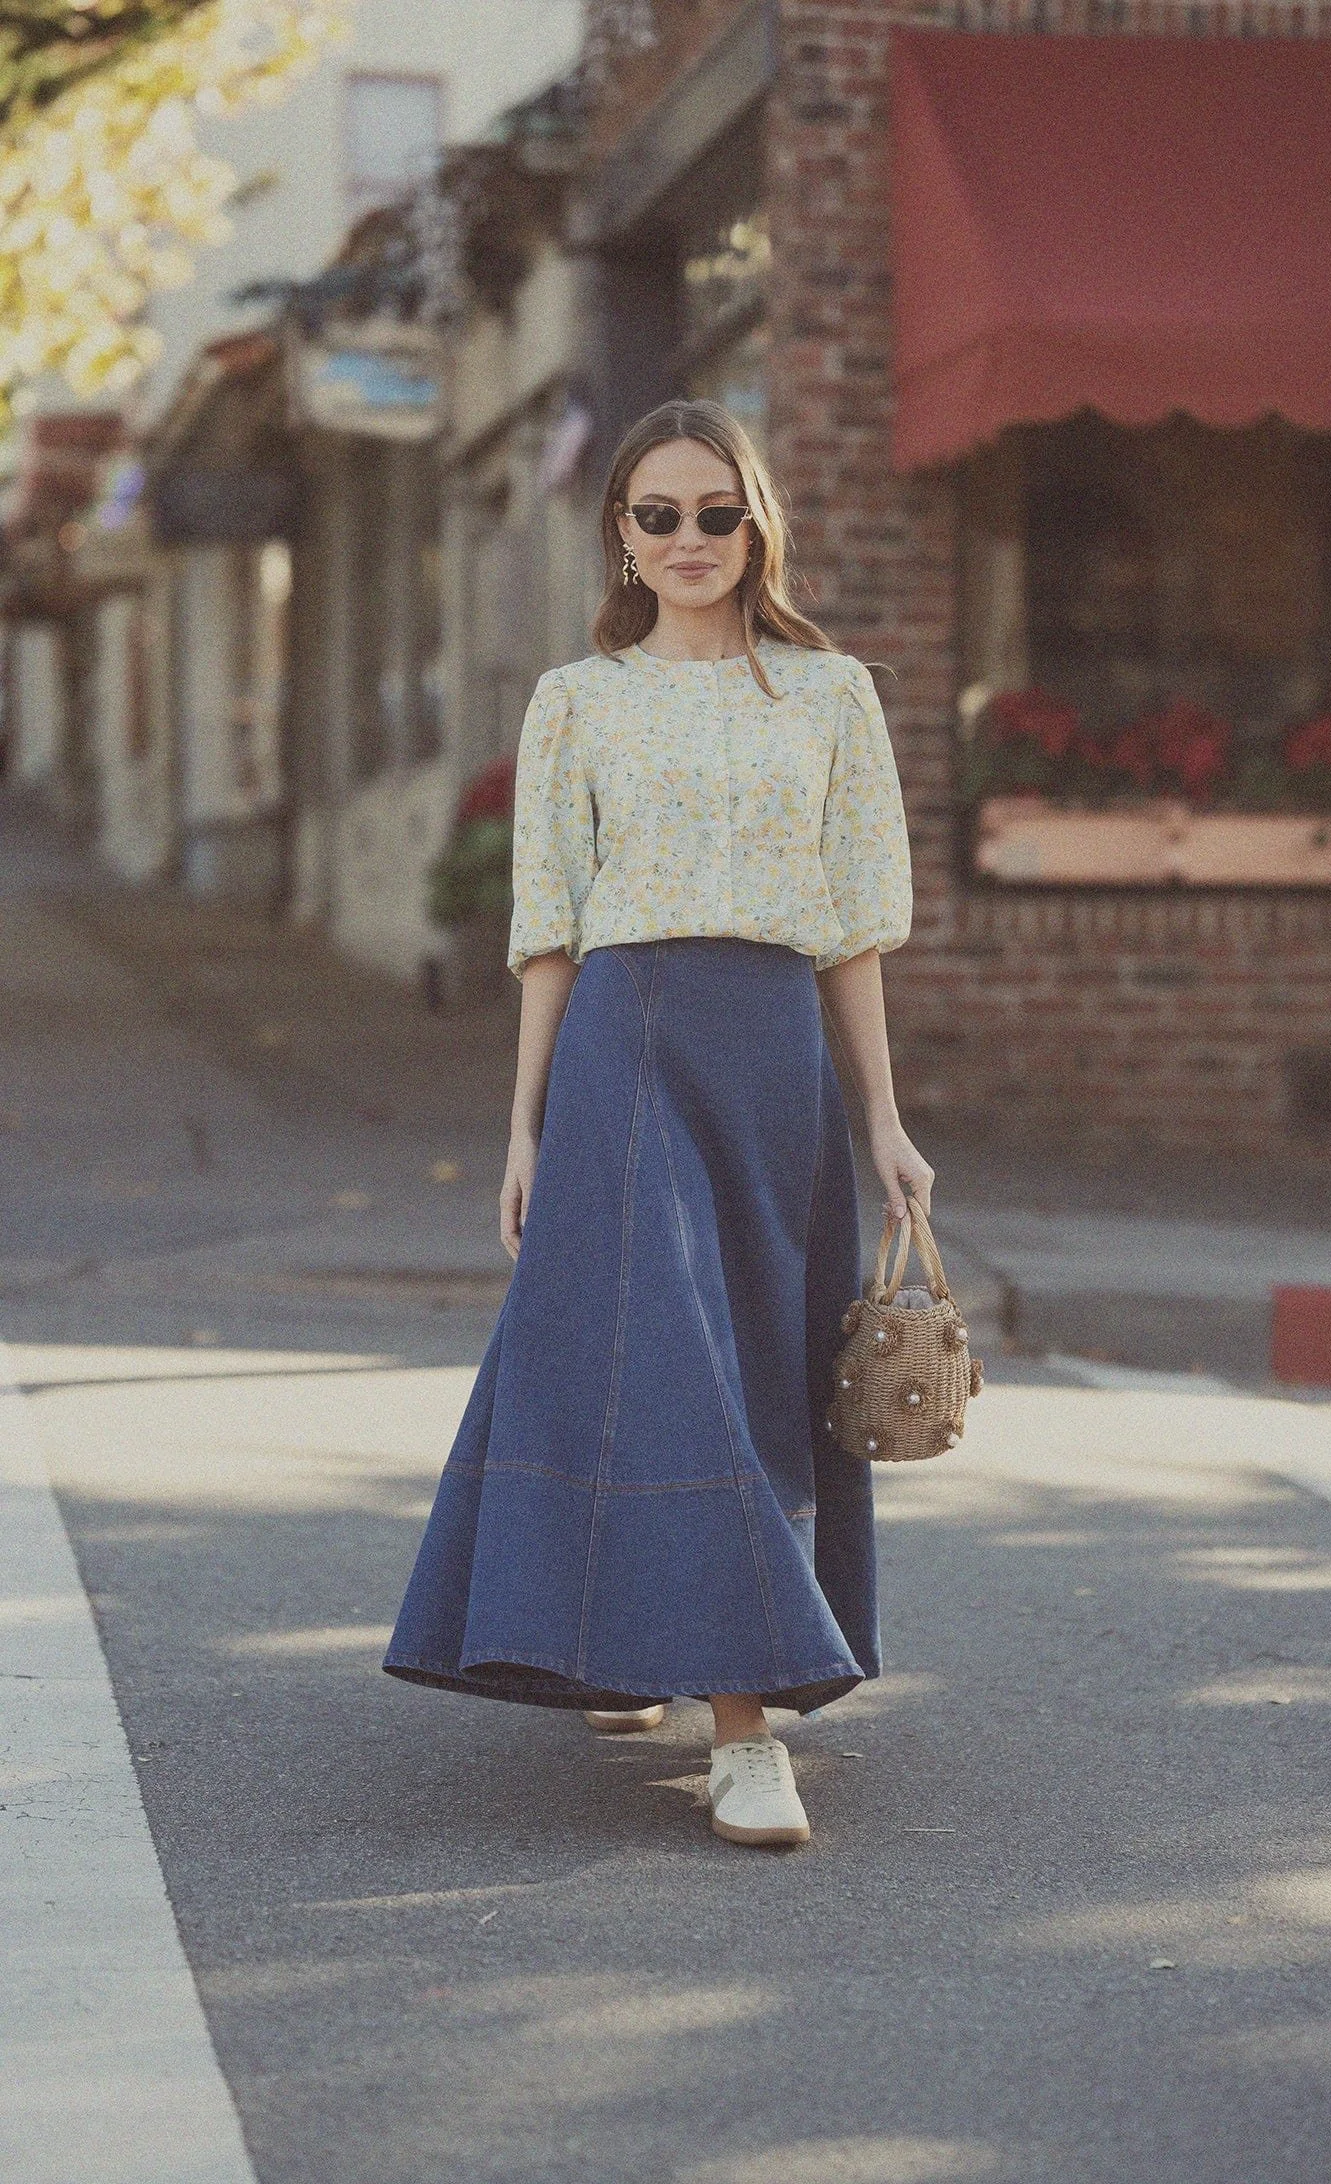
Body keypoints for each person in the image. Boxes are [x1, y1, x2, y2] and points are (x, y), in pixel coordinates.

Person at [384, 399, 932, 1847]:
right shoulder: (579, 698)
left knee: (753, 1359)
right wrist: (520, 1125)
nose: (689, 541)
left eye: (716, 513)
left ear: (759, 524)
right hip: (623, 1043)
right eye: (657, 516)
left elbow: (857, 930)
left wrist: (883, 1117)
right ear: (619, 534)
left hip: (772, 1058)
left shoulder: (831, 696)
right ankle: (745, 1728)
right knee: (661, 1353)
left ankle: (657, 1640)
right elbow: (549, 928)